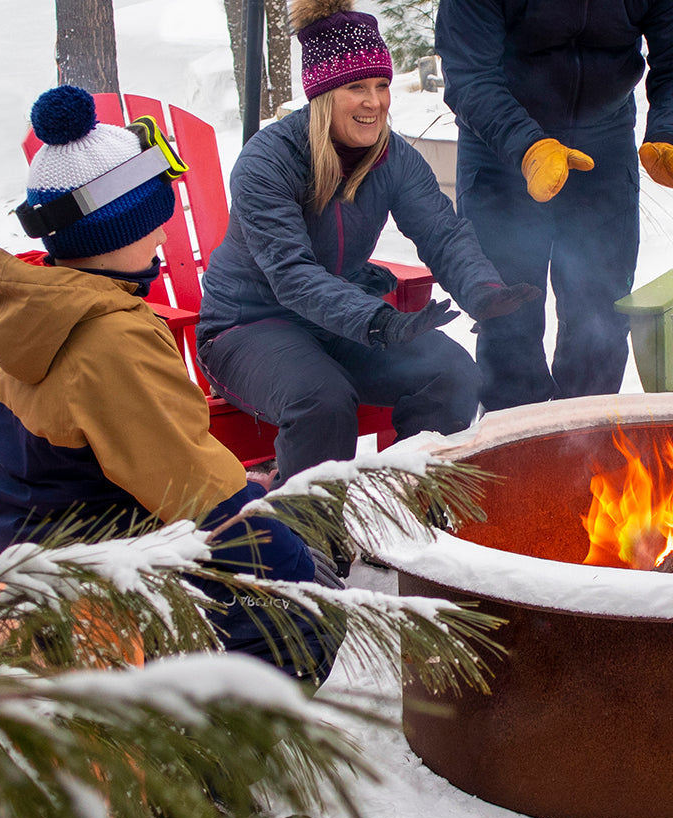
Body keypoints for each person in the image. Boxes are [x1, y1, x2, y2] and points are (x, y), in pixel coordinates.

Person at [0, 85, 341, 685]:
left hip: (49, 539)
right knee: (301, 615)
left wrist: (245, 493)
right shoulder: (109, 339)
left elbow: (140, 453)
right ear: (112, 231)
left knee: (294, 569)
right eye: (152, 222)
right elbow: (196, 492)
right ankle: (204, 767)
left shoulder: (44, 306)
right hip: (98, 570)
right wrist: (285, 556)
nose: (160, 237)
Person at [197, 0, 539, 485]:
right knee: (324, 400)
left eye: (381, 85)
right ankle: (312, 540)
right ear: (322, 94)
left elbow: (442, 232)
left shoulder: (393, 157)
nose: (374, 102)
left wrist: (482, 289)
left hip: (341, 325)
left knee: (450, 373)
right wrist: (378, 322)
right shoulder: (267, 162)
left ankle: (401, 502)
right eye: (355, 86)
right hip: (249, 327)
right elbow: (292, 276)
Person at [435, 0, 673, 409]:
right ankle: (517, 450)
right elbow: (469, 73)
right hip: (501, 151)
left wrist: (669, 134)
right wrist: (528, 148)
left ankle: (586, 450)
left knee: (599, 319)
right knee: (508, 316)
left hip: (602, 145)